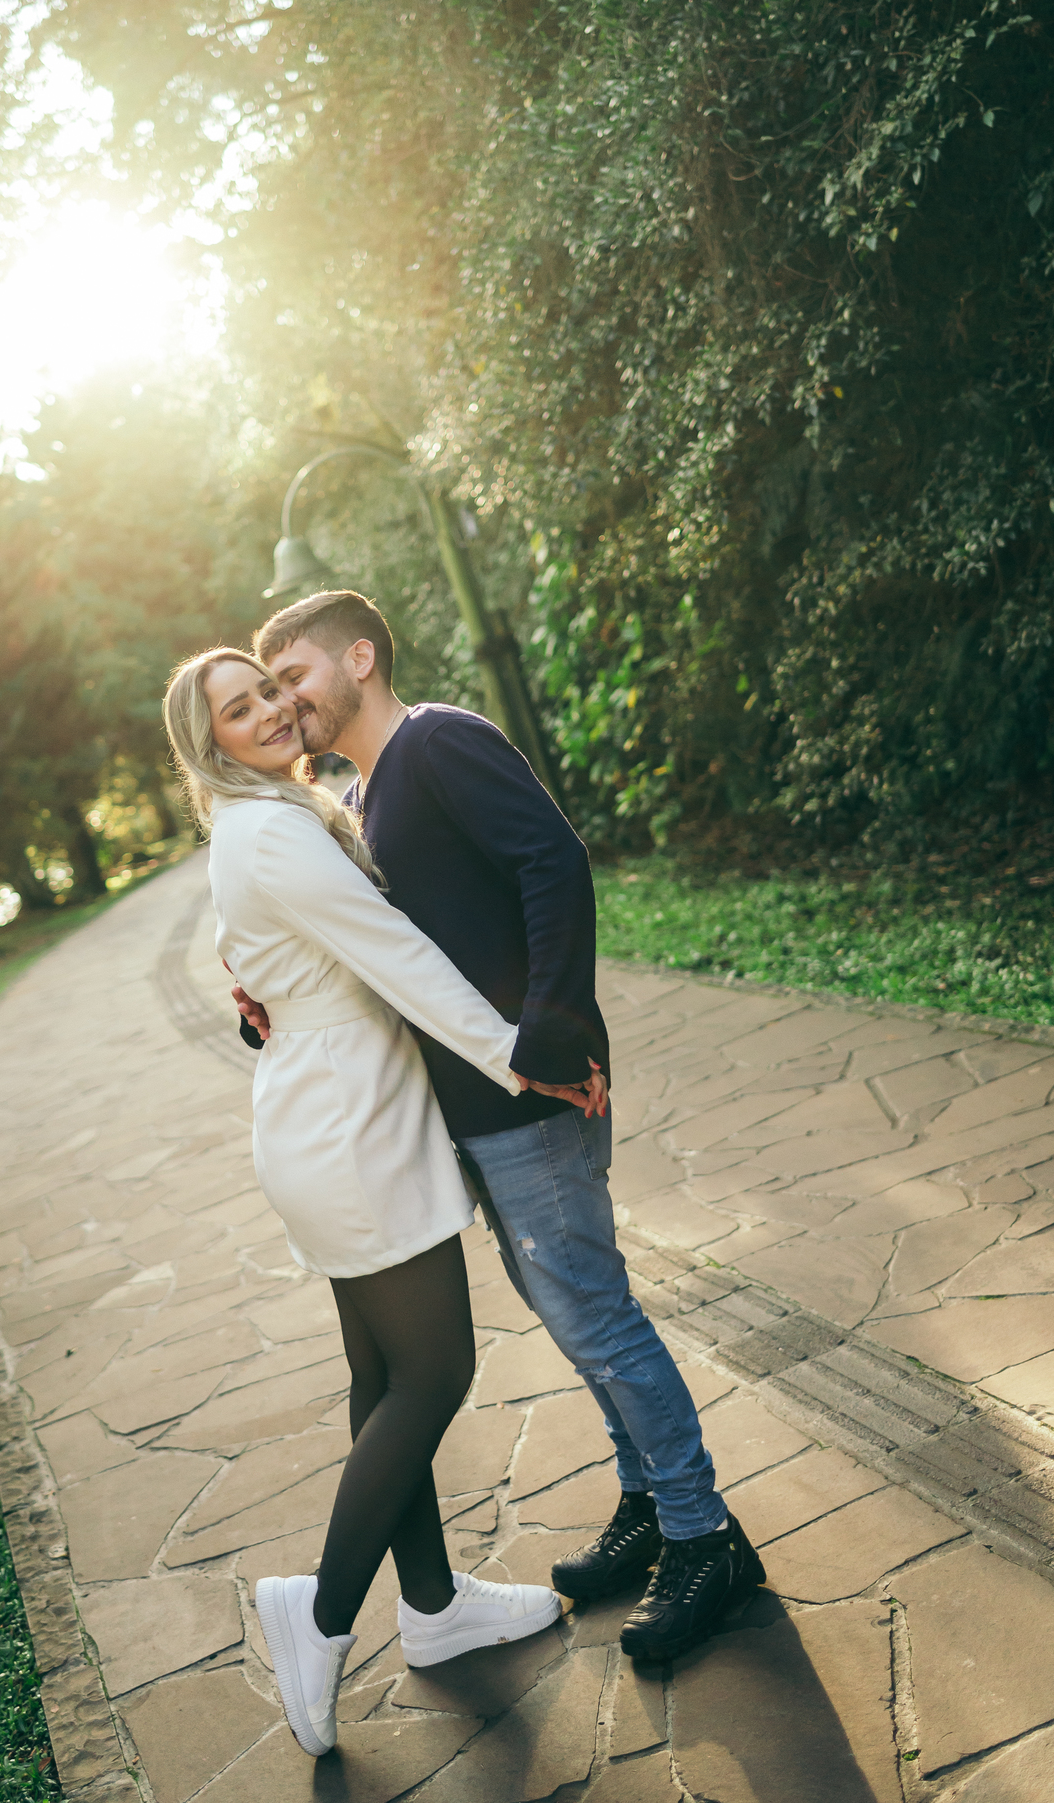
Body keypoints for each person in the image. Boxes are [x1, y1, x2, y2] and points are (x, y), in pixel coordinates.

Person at [235, 590, 765, 1666]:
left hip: (531, 1101)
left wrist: (555, 1034)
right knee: (575, 1321)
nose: (288, 702)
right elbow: (379, 955)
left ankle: (704, 1536)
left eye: (295, 676)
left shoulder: (438, 743)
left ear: (360, 657)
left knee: (600, 1319)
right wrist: (266, 1006)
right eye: (271, 687)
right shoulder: (365, 794)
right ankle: (651, 1502)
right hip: (471, 1110)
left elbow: (554, 863)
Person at [162, 648, 566, 1759]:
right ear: (212, 748)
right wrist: (517, 1056)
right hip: (349, 1136)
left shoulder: (267, 820)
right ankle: (324, 1612)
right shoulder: (272, 831)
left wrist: (268, 1000)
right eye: (239, 710)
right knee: (436, 1373)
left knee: (385, 1378)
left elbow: (275, 959)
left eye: (268, 690)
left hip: (334, 1116)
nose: (271, 712)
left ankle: (432, 1608)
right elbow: (394, 954)